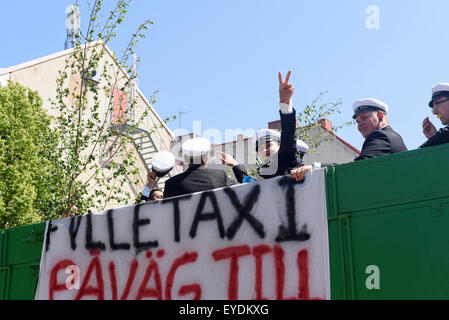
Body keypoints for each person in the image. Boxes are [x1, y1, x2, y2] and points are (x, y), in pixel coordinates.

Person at [291, 98, 408, 180]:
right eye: (357, 121)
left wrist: (315, 168)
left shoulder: (381, 136)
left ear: (380, 115)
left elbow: (356, 169)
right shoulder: (392, 136)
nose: (360, 125)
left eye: (364, 117)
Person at [218, 70, 304, 182]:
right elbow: (247, 181)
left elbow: (288, 135)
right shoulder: (266, 176)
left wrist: (284, 102)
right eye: (260, 148)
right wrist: (234, 164)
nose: (265, 150)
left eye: (268, 145)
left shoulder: (287, 157)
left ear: (279, 145)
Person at [163, 137, 237, 198]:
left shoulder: (171, 184)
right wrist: (235, 164)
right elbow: (245, 190)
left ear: (185, 159)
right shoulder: (219, 176)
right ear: (206, 159)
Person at [420, 83, 449, 148]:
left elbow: (418, 155)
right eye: (433, 108)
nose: (435, 112)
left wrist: (436, 140)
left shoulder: (444, 135)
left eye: (437, 103)